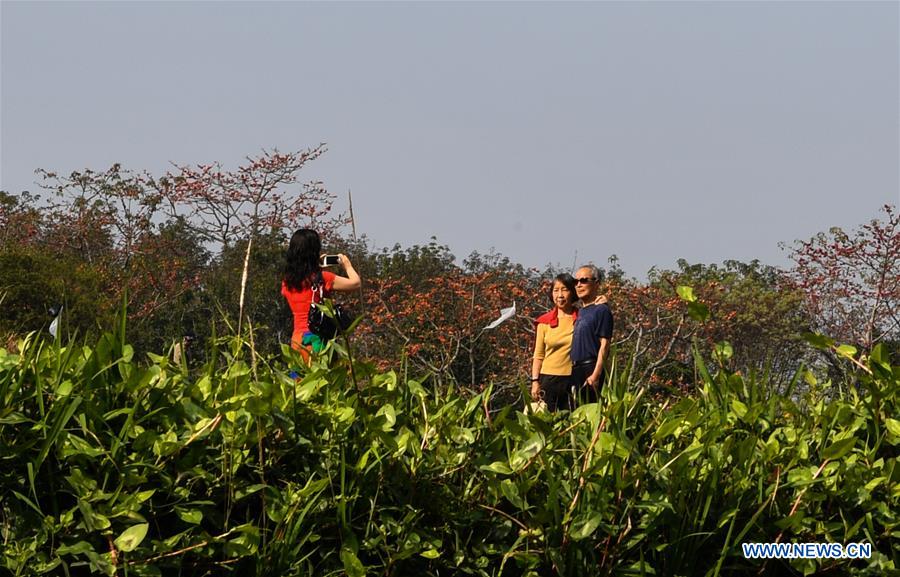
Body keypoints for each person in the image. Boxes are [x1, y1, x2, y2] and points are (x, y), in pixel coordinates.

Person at [281, 229, 361, 361]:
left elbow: (304, 285)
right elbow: (355, 283)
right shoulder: (324, 278)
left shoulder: (287, 282)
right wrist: (347, 265)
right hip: (317, 339)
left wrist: (315, 267)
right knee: (324, 379)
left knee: (300, 379)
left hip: (297, 340)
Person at [531, 273, 579, 412]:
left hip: (573, 379)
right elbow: (538, 355)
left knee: (572, 421)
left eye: (564, 290)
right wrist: (535, 382)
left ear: (573, 292)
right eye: (556, 290)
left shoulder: (582, 319)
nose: (560, 295)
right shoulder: (544, 322)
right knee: (546, 422)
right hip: (548, 380)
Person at [570, 264, 613, 404]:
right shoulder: (578, 311)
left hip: (591, 368)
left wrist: (596, 375)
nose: (579, 285)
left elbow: (605, 345)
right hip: (574, 370)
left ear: (596, 283)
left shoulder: (601, 310)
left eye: (584, 280)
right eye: (575, 282)